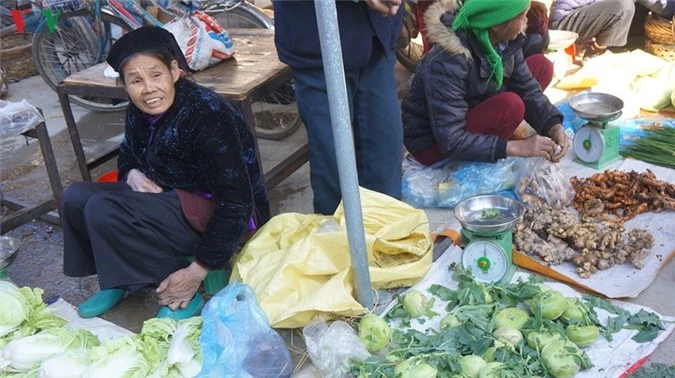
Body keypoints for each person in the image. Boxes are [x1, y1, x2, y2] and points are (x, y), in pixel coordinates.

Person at [60, 27, 269, 320]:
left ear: (174, 71)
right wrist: (132, 173)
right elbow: (129, 153)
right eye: (136, 80)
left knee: (103, 208)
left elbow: (236, 202)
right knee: (76, 197)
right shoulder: (140, 108)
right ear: (124, 85)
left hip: (221, 213)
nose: (148, 88)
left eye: (155, 75)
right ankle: (117, 279)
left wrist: (197, 271)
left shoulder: (207, 114)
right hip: (168, 198)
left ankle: (181, 294)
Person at [272, 0, 404, 215]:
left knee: (385, 154)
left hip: (377, 34)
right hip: (318, 42)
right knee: (334, 168)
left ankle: (385, 239)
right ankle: (337, 240)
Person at [402, 0, 568, 167]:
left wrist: (552, 124)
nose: (526, 22)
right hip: (433, 144)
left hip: (470, 107)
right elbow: (451, 140)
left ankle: (496, 132)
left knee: (541, 65)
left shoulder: (505, 42)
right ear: (496, 25)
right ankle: (489, 144)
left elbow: (526, 87)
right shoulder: (449, 59)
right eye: (522, 17)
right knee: (511, 105)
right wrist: (514, 148)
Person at [548, 0, 635, 59]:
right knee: (624, 7)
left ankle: (600, 50)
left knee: (627, 6)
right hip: (564, 19)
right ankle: (596, 53)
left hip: (583, 11)